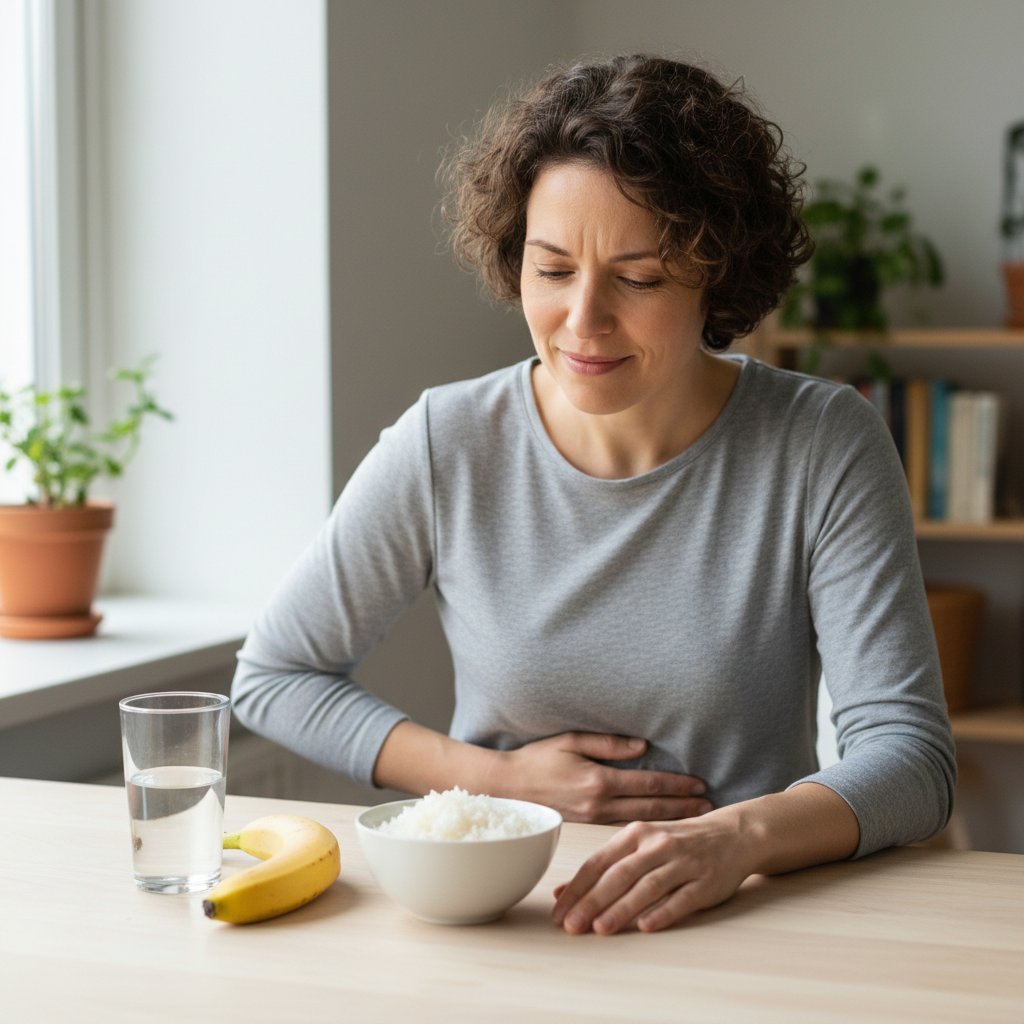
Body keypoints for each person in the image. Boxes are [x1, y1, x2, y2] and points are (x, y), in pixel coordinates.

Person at [232, 54, 956, 935]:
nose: (582, 321)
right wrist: (491, 778)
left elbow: (912, 760)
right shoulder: (447, 440)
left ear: (716, 275)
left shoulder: (820, 442)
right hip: (505, 918)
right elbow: (275, 676)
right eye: (552, 268)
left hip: (743, 918)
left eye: (640, 278)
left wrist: (737, 840)